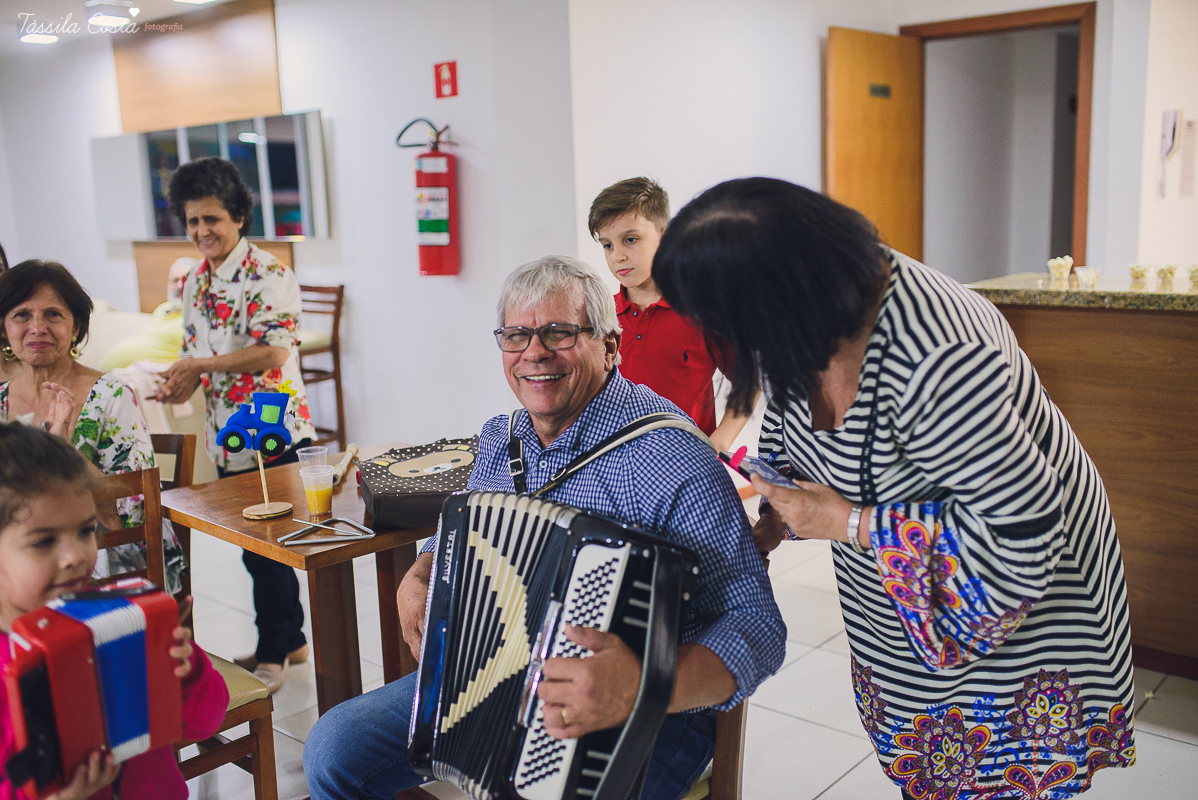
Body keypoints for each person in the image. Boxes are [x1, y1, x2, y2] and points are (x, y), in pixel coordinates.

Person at [652, 178, 1136, 800]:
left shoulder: (941, 358)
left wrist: (850, 522)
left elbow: (1023, 533)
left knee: (997, 778)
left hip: (1010, 604)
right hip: (903, 600)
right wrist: (773, 516)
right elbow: (789, 416)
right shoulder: (809, 313)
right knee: (928, 767)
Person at [304, 256, 785, 800]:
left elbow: (758, 627)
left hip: (648, 710)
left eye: (559, 332)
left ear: (609, 345)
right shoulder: (501, 438)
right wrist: (419, 574)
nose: (534, 352)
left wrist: (644, 685)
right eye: (517, 335)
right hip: (496, 672)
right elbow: (460, 529)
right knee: (332, 750)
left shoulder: (672, 458)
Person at [151, 157, 317, 692]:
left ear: (239, 217)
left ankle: (274, 650)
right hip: (227, 431)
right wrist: (182, 381)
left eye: (212, 219)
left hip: (271, 425)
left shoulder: (269, 274)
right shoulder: (194, 281)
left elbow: (274, 352)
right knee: (256, 544)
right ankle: (292, 639)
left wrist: (199, 366)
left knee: (268, 547)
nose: (202, 230)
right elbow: (198, 355)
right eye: (193, 221)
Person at [0, 421, 229, 800]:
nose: (75, 556)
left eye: (86, 531)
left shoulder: (120, 619)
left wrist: (187, 671)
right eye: (43, 541)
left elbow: (205, 721)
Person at [0, 260, 187, 592]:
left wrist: (64, 451)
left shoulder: (112, 394)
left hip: (103, 558)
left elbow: (135, 507)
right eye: (22, 315)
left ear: (76, 327)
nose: (37, 327)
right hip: (17, 562)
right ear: (4, 328)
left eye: (53, 314)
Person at [589, 177, 755, 452]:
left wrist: (719, 441)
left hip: (687, 465)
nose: (617, 256)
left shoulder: (704, 310)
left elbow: (748, 381)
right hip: (612, 465)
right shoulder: (600, 315)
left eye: (630, 240)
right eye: (608, 245)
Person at [100, 257, 196, 371]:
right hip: (114, 373)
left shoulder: (199, 316)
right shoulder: (163, 308)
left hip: (147, 374)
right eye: (175, 281)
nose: (179, 286)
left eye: (186, 280)